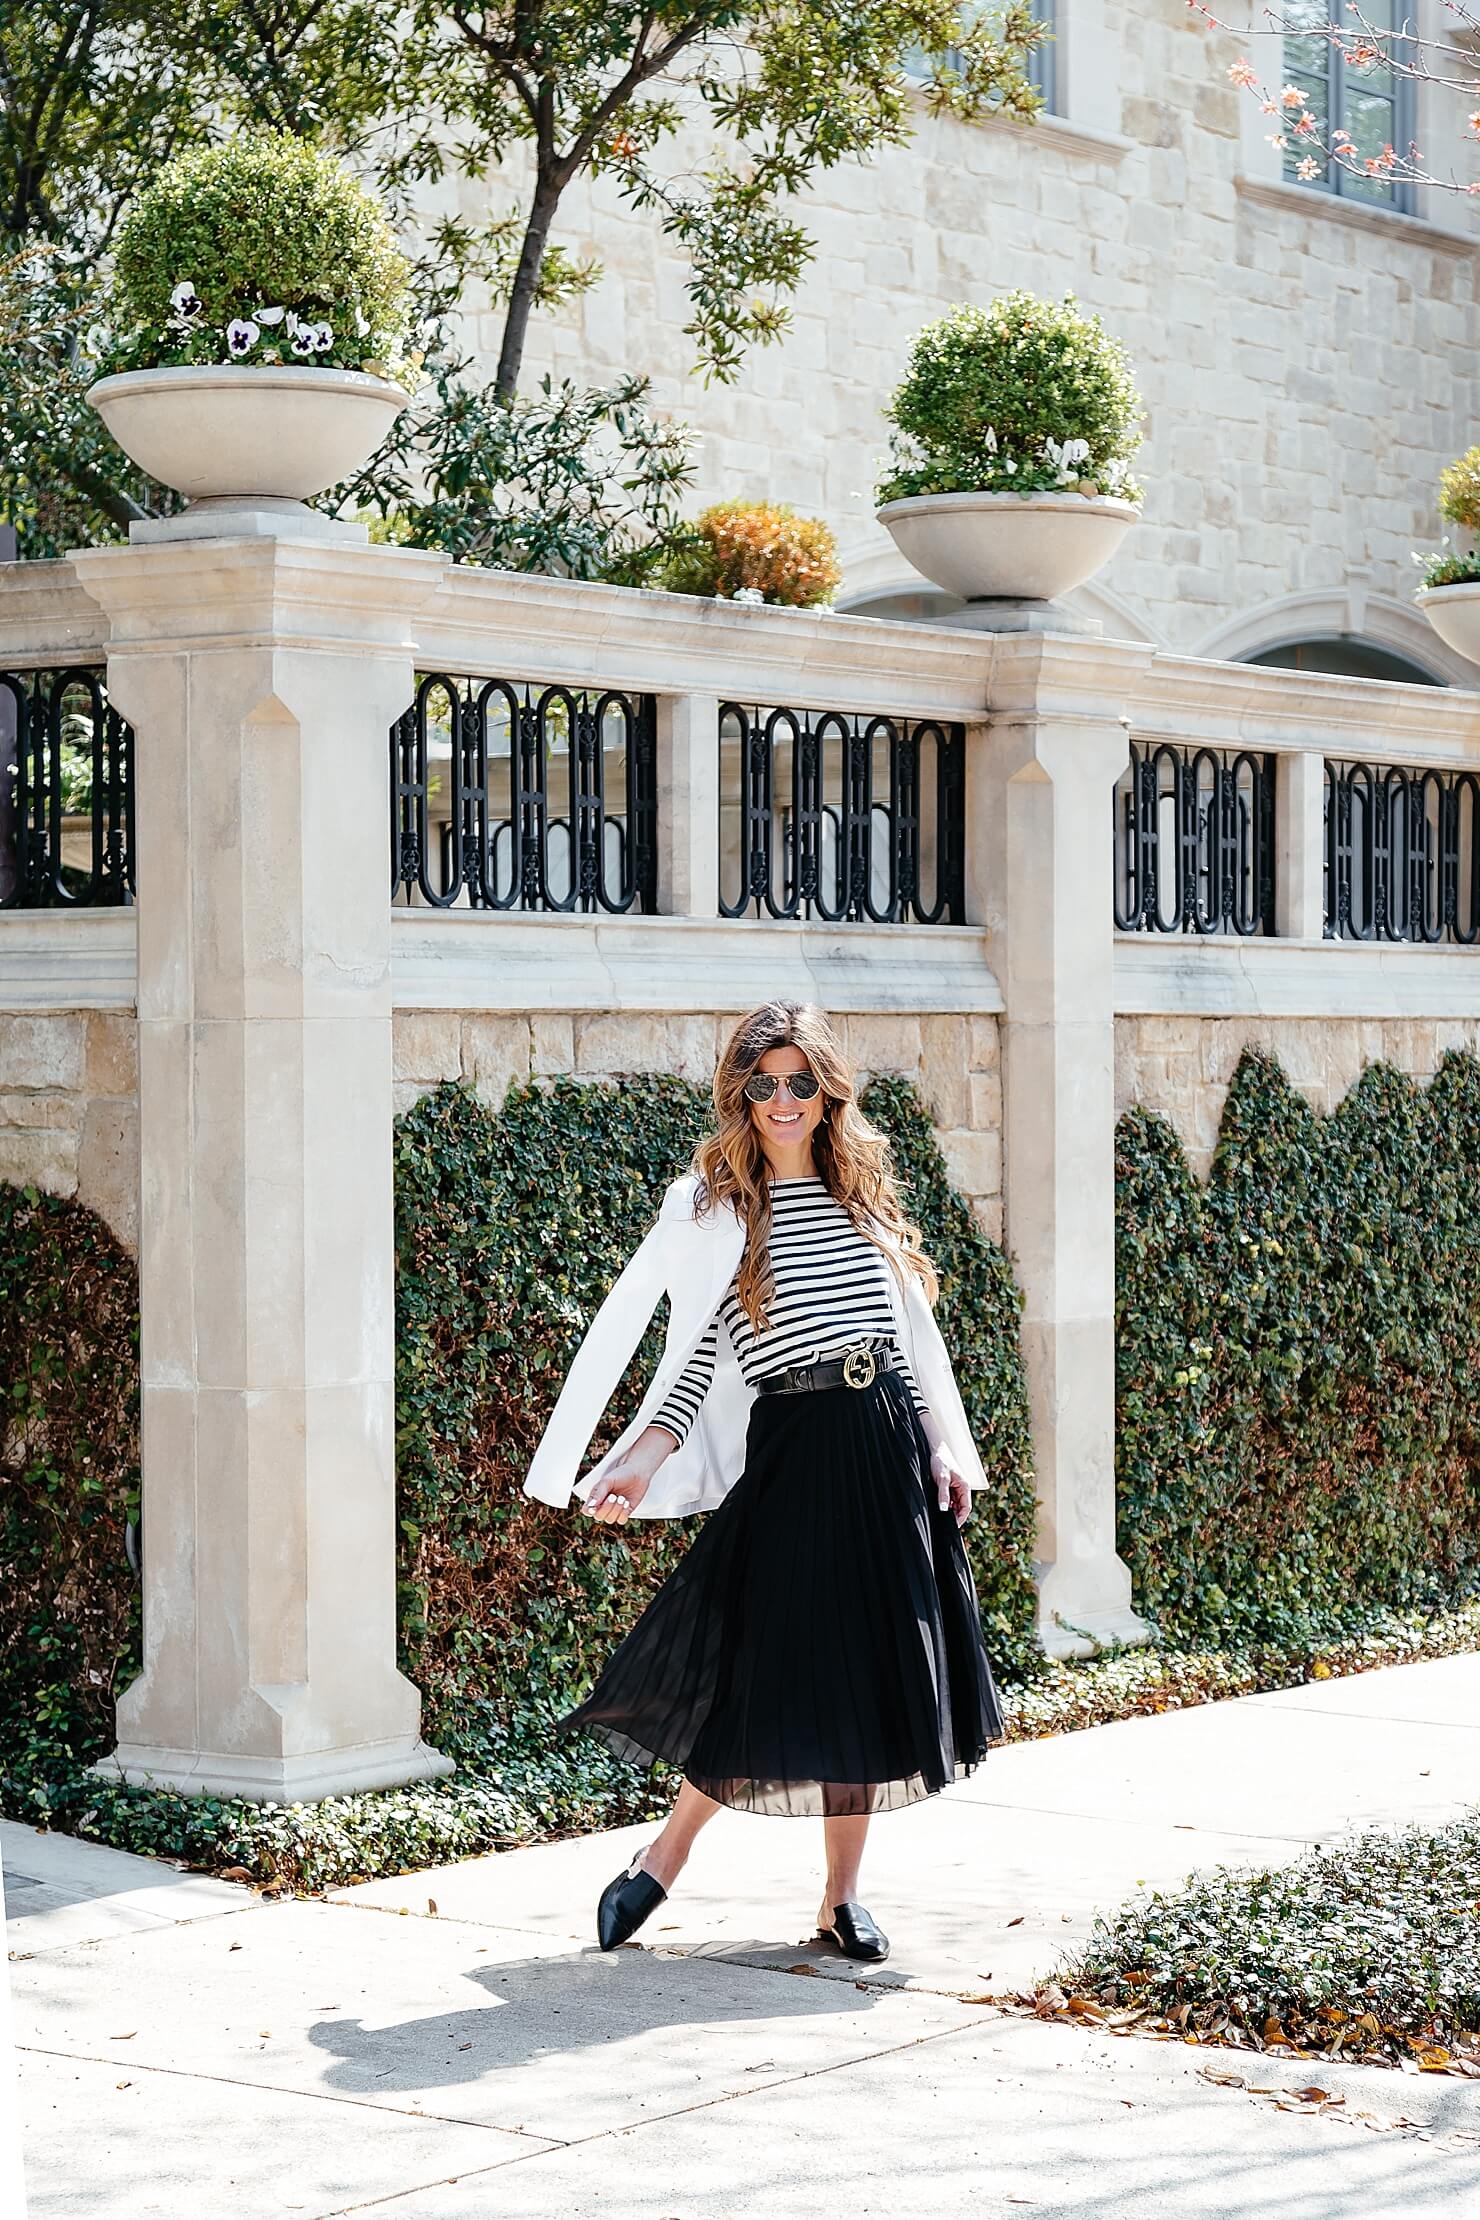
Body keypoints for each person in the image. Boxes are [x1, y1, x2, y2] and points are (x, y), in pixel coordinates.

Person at [521, 998, 1004, 1964]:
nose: (783, 1099)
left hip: (885, 1453)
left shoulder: (863, 1197)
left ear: (827, 1093)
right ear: (740, 1094)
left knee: (870, 1672)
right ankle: (660, 1861)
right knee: (759, 1670)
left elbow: (902, 1345)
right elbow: (693, 1368)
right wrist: (640, 1457)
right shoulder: (718, 1213)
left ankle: (840, 1898)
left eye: (800, 1081)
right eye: (763, 1083)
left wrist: (943, 1445)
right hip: (791, 1452)